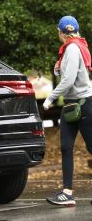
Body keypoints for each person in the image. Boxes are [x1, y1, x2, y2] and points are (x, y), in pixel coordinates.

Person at [43, 15, 92, 206]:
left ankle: (67, 192)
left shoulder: (72, 48)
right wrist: (58, 69)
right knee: (65, 147)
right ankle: (67, 193)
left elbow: (69, 80)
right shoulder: (73, 47)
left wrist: (50, 98)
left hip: (84, 103)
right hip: (71, 105)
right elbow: (70, 73)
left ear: (60, 32)